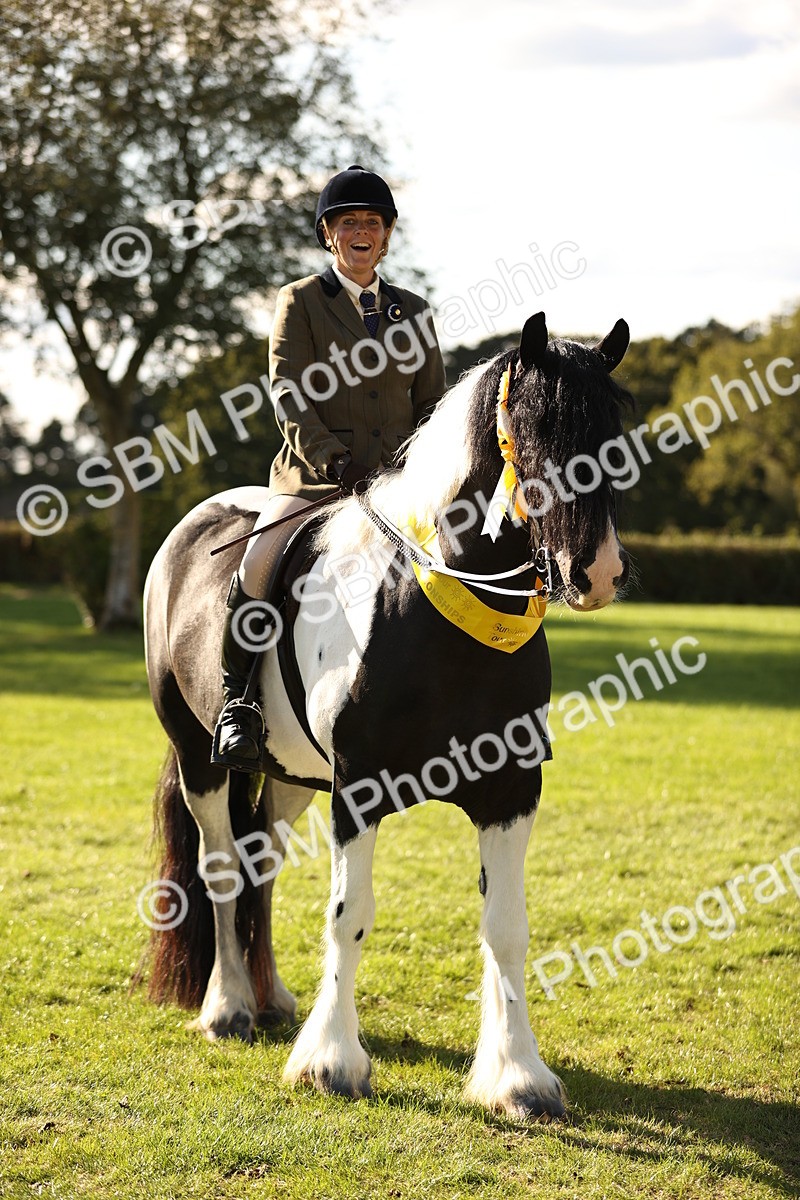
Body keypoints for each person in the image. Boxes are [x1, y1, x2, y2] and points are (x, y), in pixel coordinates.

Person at [211, 165, 447, 771]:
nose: (361, 232)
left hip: (397, 487)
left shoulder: (415, 312)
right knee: (259, 563)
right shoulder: (301, 302)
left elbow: (432, 407)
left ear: (387, 235)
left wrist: (416, 470)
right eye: (348, 223)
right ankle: (239, 704)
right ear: (328, 234)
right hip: (316, 479)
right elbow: (288, 393)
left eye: (372, 222)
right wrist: (334, 459)